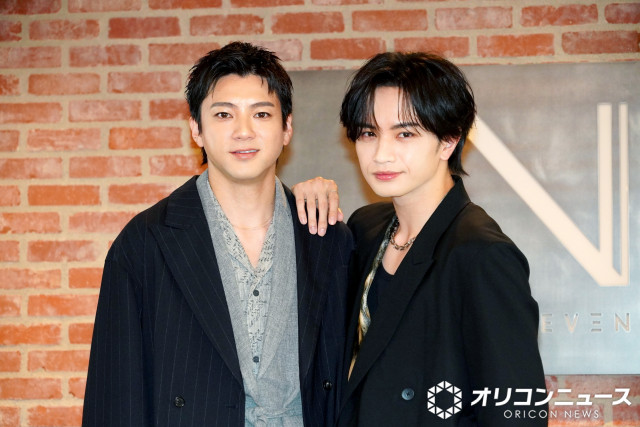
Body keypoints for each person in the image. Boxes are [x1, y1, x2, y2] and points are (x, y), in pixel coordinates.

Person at [82, 42, 353, 427]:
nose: (244, 131)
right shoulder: (144, 243)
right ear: (197, 129)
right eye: (224, 114)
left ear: (287, 128)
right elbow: (115, 394)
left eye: (261, 113)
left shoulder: (327, 236)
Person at [293, 52, 547, 425]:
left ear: (448, 140)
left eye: (405, 134)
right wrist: (304, 202)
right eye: (368, 133)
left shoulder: (481, 254)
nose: (381, 154)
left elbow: (516, 412)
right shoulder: (365, 228)